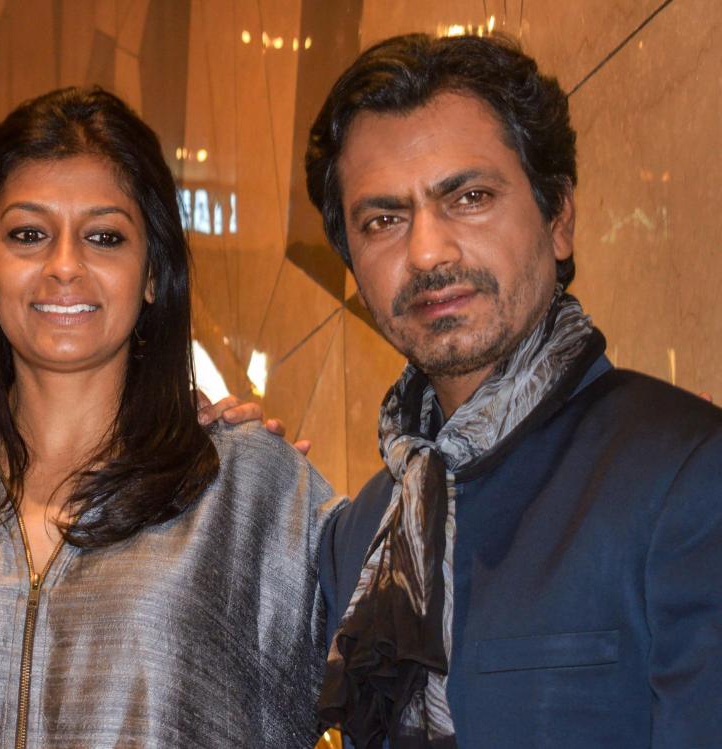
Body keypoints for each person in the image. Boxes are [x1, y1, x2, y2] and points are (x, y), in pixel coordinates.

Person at [0, 86, 342, 747]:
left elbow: (393, 689)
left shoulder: (252, 487)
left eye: (104, 237)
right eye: (28, 234)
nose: (63, 267)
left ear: (153, 273)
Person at [305, 33, 722, 748]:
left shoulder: (687, 476)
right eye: (383, 220)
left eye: (468, 196)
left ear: (558, 216)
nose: (428, 251)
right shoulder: (362, 532)